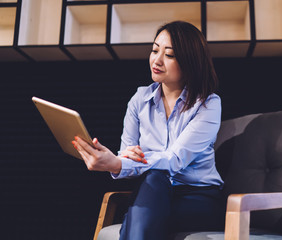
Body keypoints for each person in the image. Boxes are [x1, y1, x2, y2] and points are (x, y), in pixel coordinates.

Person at [72, 21, 225, 240]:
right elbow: (127, 153)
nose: (157, 60)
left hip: (198, 198)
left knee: (143, 204)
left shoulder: (208, 104)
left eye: (169, 55)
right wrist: (119, 158)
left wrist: (119, 162)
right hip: (153, 193)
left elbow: (174, 160)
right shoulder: (139, 100)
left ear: (190, 62)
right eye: (154, 50)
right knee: (152, 183)